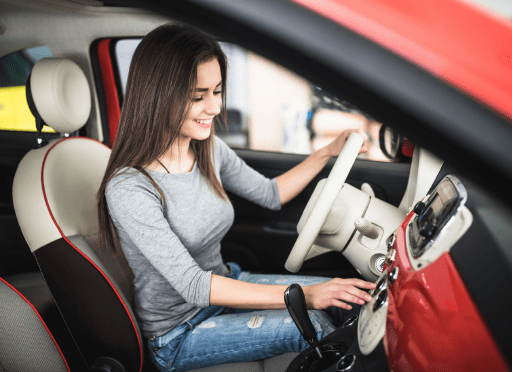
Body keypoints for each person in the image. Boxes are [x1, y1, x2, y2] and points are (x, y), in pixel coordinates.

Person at [97, 24, 376, 372]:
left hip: (231, 281)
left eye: (217, 91)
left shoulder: (208, 149)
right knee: (315, 321)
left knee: (350, 300)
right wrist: (306, 295)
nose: (214, 107)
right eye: (198, 96)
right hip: (179, 332)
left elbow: (270, 194)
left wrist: (326, 152)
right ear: (157, 95)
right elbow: (194, 286)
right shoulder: (129, 188)